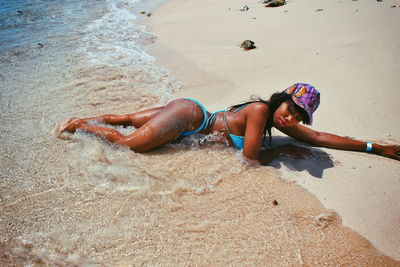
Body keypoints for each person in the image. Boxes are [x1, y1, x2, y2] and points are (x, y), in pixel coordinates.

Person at [58, 83, 400, 164]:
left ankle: (76, 122)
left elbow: (321, 137)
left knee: (126, 119)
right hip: (188, 119)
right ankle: (77, 125)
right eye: (291, 109)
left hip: (191, 113)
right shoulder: (261, 112)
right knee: (127, 144)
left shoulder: (274, 116)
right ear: (281, 98)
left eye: (297, 116)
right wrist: (284, 150)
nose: (290, 118)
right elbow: (250, 160)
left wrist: (376, 147)